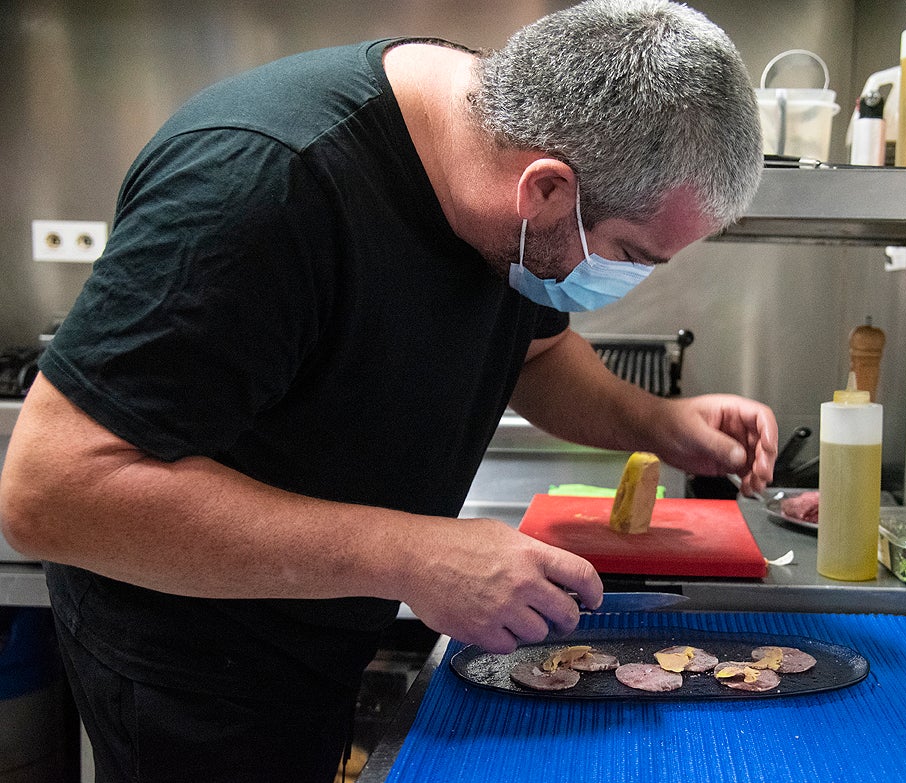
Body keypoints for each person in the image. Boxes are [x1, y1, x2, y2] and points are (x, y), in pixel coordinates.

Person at [0, 0, 776, 780]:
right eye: (629, 252)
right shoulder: (261, 186)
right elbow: (51, 493)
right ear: (544, 190)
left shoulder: (508, 187)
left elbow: (535, 356)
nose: (627, 277)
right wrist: (411, 554)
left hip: (322, 626)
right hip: (197, 666)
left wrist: (659, 422)